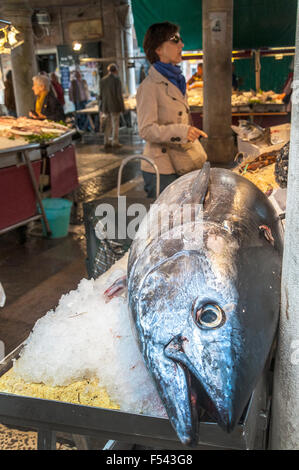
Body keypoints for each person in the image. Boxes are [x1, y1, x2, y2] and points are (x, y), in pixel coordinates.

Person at [137, 22, 207, 198]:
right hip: (161, 170)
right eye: (175, 39)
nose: (181, 44)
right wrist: (182, 132)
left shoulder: (178, 80)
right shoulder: (150, 86)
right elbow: (146, 130)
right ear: (158, 48)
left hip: (181, 162)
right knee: (167, 223)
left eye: (180, 39)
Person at [100, 63, 125, 150]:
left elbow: (100, 95)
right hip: (115, 106)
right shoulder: (117, 80)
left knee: (107, 125)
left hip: (106, 106)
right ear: (116, 70)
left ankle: (106, 141)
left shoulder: (103, 80)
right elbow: (119, 95)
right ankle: (115, 142)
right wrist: (122, 107)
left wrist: (101, 107)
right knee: (115, 124)